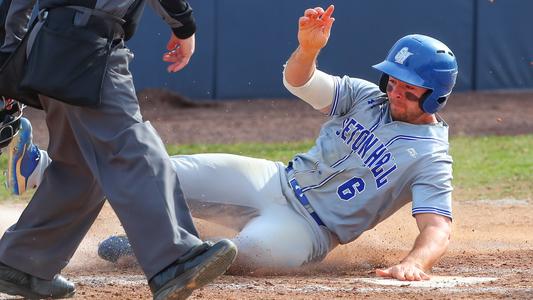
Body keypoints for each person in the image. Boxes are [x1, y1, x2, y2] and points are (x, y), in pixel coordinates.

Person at [7, 4, 458, 282]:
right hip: (273, 181)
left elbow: (436, 226)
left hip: (310, 231)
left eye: (411, 87)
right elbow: (300, 81)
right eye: (394, 80)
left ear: (436, 94)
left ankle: (155, 244)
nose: (397, 90)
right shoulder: (366, 96)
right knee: (157, 170)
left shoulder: (431, 157)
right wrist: (309, 50)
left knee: (249, 253)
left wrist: (415, 262)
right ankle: (44, 168)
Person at [0, 1, 237, 299]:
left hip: (48, 47)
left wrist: (7, 59)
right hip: (89, 49)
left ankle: (22, 262)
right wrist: (184, 25)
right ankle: (173, 258)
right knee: (132, 146)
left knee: (80, 170)